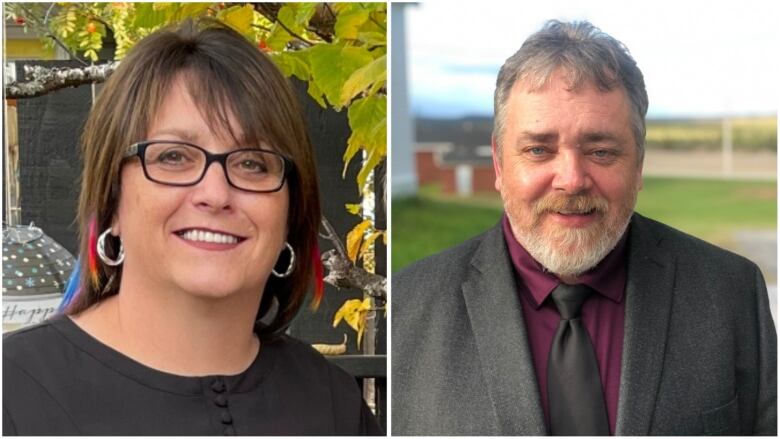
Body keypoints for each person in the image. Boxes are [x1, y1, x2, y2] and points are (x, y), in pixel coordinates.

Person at [392, 20, 776, 436]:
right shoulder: (407, 309)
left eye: (601, 151)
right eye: (539, 150)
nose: (572, 179)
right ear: (500, 165)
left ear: (639, 165)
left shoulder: (731, 293)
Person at [3, 19, 381, 435]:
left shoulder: (333, 405)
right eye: (173, 157)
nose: (215, 193)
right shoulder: (15, 395)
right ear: (111, 201)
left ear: (291, 210)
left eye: (252, 163)